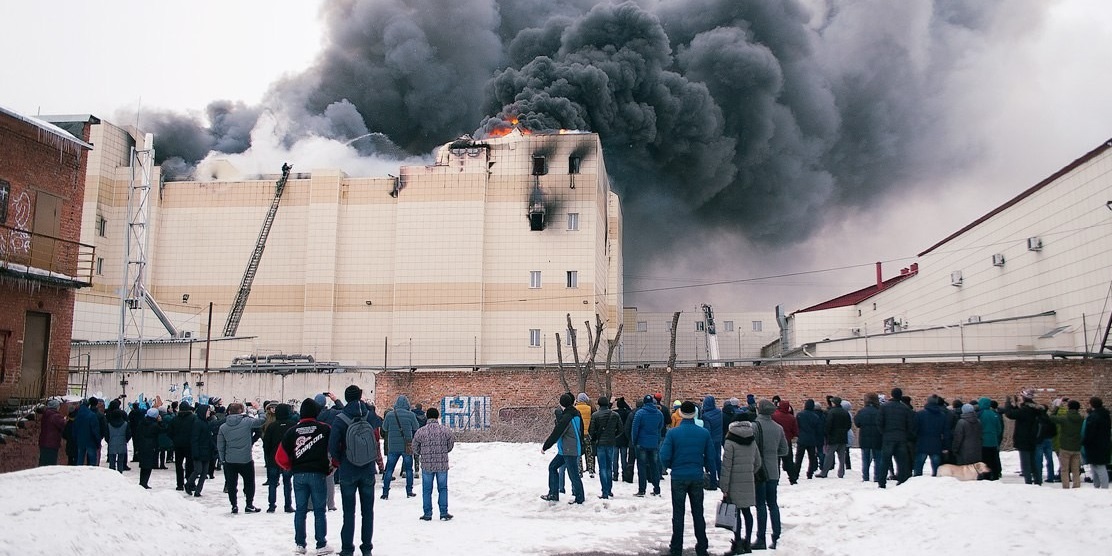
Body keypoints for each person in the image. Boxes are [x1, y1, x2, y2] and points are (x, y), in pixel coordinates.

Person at [277, 398, 336, 555]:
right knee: (319, 510)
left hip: (299, 475)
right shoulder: (325, 429)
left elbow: (280, 457)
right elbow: (336, 447)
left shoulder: (292, 432)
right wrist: (334, 465)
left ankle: (300, 544)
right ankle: (321, 544)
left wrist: (291, 467)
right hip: (318, 473)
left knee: (300, 510)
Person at [330, 385, 381, 556]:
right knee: (368, 512)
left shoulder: (340, 419)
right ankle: (366, 548)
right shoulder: (369, 415)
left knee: (348, 512)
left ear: (345, 397)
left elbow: (333, 445)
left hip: (348, 469)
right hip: (367, 468)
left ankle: (347, 549)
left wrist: (338, 461)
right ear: (360, 396)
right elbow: (378, 429)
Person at [660, 401, 713, 556]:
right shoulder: (703, 433)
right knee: (698, 512)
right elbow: (711, 456)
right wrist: (707, 469)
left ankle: (676, 546)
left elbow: (664, 455)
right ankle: (702, 544)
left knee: (678, 513)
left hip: (678, 476)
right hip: (696, 475)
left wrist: (672, 466)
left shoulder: (673, 433)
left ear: (681, 414)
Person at [721, 419, 762, 555]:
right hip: (748, 481)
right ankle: (748, 542)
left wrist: (724, 487)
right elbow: (758, 462)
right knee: (747, 512)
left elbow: (727, 466)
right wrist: (750, 472)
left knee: (736, 513)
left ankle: (737, 543)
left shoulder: (730, 442)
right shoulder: (752, 440)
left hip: (733, 482)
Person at [752, 399, 788, 550]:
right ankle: (777, 536)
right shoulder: (778, 428)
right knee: (773, 504)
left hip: (759, 471)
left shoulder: (754, 426)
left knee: (760, 505)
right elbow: (784, 450)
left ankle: (761, 538)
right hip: (773, 471)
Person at [218, 402, 266, 513]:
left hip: (230, 460)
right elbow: (262, 420)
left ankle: (234, 505)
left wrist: (222, 459)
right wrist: (259, 409)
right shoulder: (247, 422)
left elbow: (221, 445)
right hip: (246, 459)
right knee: (249, 482)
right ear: (241, 411)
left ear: (229, 412)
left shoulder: (223, 427)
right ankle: (249, 504)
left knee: (231, 484)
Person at [541, 392, 585, 504]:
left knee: (573, 473)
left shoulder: (567, 417)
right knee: (553, 467)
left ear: (562, 404)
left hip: (569, 450)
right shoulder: (576, 413)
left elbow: (557, 433)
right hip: (568, 448)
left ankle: (579, 497)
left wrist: (545, 447)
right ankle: (553, 493)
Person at [412, 406, 455, 521]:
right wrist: (443, 451)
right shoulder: (445, 430)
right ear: (437, 417)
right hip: (442, 464)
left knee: (427, 490)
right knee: (443, 488)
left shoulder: (421, 431)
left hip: (427, 465)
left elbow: (415, 447)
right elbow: (450, 445)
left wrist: (423, 453)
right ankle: (443, 512)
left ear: (427, 417)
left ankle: (427, 513)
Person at [380, 395, 419, 499]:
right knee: (409, 469)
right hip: (407, 445)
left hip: (393, 446)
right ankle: (409, 491)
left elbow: (384, 428)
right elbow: (416, 427)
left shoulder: (389, 415)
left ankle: (385, 492)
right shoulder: (411, 415)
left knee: (389, 469)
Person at [877, 387, 916, 488]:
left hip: (888, 437)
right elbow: (910, 425)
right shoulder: (905, 409)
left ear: (892, 395)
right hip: (901, 438)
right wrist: (905, 435)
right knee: (902, 461)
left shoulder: (884, 407)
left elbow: (879, 422)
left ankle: (881, 482)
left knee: (885, 461)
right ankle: (901, 480)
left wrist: (884, 433)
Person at [1003, 390, 1043, 485]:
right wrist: (1016, 405)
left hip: (1024, 438)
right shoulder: (1035, 409)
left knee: (1026, 463)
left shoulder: (1025, 410)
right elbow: (1018, 413)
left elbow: (1010, 414)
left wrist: (1008, 403)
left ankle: (1028, 481)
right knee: (1033, 461)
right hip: (1033, 438)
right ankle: (1037, 480)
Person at [263, 403, 297, 511]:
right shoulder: (292, 425)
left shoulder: (272, 426)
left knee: (272, 483)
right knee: (287, 483)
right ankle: (288, 505)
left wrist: (268, 456)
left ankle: (271, 505)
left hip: (274, 457)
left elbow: (266, 444)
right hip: (288, 457)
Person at [631, 394, 664, 497]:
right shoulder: (659, 414)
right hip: (654, 443)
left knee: (642, 467)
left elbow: (635, 429)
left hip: (641, 443)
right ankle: (657, 488)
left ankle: (642, 489)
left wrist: (634, 441)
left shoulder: (640, 413)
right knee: (654, 466)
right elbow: (660, 427)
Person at [589, 396, 623, 499]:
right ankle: (609, 490)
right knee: (609, 467)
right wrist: (613, 436)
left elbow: (591, 431)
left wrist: (595, 439)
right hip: (611, 443)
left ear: (599, 404)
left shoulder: (595, 415)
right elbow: (620, 429)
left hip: (600, 444)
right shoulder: (615, 415)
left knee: (602, 468)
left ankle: (604, 491)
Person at [1049, 399, 1084, 488]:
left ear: (1069, 407)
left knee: (1064, 469)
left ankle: (1066, 486)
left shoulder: (1064, 419)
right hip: (1076, 447)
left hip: (1065, 446)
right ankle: (1076, 485)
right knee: (1075, 469)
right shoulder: (1081, 418)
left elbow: (1051, 417)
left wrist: (1056, 406)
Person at [914, 395, 950, 477]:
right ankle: (935, 484)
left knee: (918, 467)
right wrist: (945, 446)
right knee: (936, 469)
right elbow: (946, 432)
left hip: (922, 443)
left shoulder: (920, 414)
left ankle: (916, 482)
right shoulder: (942, 415)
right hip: (936, 443)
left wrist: (915, 441)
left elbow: (915, 429)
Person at [817, 396, 850, 478]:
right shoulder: (845, 412)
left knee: (829, 455)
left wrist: (827, 434)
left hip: (833, 437)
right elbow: (849, 425)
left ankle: (824, 472)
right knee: (842, 457)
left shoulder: (831, 412)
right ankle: (841, 473)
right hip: (843, 437)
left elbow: (828, 425)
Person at [187, 403, 215, 497]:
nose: (209, 413)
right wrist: (195, 452)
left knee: (204, 473)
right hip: (199, 451)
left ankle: (198, 491)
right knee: (198, 470)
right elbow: (194, 439)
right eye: (208, 411)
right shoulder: (198, 423)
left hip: (206, 451)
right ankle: (188, 484)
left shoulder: (206, 422)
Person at [1082, 396, 1110, 488]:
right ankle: (1099, 485)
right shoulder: (1105, 415)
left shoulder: (1093, 417)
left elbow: (1090, 432)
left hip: (1094, 445)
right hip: (1104, 443)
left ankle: (1101, 486)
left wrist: (1085, 441)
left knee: (1098, 466)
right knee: (1097, 465)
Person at [854, 393, 883, 482]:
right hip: (878, 438)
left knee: (865, 459)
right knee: (878, 459)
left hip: (864, 438)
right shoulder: (880, 412)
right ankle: (877, 477)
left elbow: (857, 423)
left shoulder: (862, 411)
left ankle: (865, 477)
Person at [169, 401, 196, 491]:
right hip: (189, 445)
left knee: (178, 465)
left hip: (178, 445)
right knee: (190, 464)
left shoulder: (175, 419)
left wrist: (175, 439)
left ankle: (179, 484)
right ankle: (190, 482)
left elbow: (169, 432)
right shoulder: (193, 418)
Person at [794, 399, 822, 480]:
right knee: (812, 457)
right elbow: (818, 429)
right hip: (812, 439)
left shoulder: (800, 415)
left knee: (799, 457)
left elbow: (797, 426)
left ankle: (796, 473)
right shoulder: (815, 416)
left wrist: (798, 434)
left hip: (802, 438)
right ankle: (810, 473)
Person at [770, 400, 798, 484]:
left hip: (775, 441)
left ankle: (776, 479)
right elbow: (795, 431)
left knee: (776, 461)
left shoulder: (774, 416)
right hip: (787, 440)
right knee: (789, 460)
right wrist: (790, 436)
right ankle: (793, 478)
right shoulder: (791, 418)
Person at [136, 407, 164, 489]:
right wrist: (160, 422)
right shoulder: (155, 425)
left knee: (143, 465)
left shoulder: (142, 423)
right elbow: (162, 430)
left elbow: (137, 434)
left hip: (142, 445)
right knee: (148, 465)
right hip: (151, 446)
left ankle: (142, 482)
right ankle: (145, 482)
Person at [977, 397, 1004, 480]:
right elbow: (999, 429)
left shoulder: (980, 414)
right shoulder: (994, 414)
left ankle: (986, 475)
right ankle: (995, 474)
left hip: (983, 440)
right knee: (994, 458)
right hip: (994, 440)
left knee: (985, 459)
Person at [701, 396, 724, 489]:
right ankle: (721, 479)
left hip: (711, 441)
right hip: (718, 439)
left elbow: (707, 430)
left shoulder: (706, 416)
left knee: (711, 461)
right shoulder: (719, 412)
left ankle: (713, 481)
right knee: (718, 459)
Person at [73, 397, 104, 466]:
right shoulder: (92, 415)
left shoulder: (77, 416)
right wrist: (98, 441)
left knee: (80, 459)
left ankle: (79, 473)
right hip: (91, 441)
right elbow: (95, 430)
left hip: (80, 441)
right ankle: (92, 474)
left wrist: (75, 439)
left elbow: (74, 429)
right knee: (92, 461)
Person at [38, 399, 66, 466]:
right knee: (50, 463)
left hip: (43, 441)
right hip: (52, 443)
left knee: (43, 461)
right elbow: (63, 424)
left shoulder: (46, 414)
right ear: (56, 407)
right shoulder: (56, 416)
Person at [105, 402, 131, 473]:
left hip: (112, 443)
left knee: (112, 462)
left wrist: (109, 441)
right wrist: (126, 440)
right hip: (122, 443)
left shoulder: (109, 425)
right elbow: (128, 434)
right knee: (120, 461)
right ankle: (120, 473)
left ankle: (112, 474)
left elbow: (106, 435)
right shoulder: (125, 424)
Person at [574, 393, 596, 478]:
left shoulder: (575, 409)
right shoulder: (589, 408)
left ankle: (580, 471)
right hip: (587, 433)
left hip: (579, 434)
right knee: (589, 451)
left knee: (579, 452)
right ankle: (591, 469)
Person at [614, 397, 632, 481]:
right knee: (624, 458)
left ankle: (615, 474)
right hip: (624, 438)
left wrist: (612, 402)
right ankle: (624, 474)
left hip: (615, 437)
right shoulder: (627, 413)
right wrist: (624, 403)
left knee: (615, 458)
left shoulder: (614, 413)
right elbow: (631, 410)